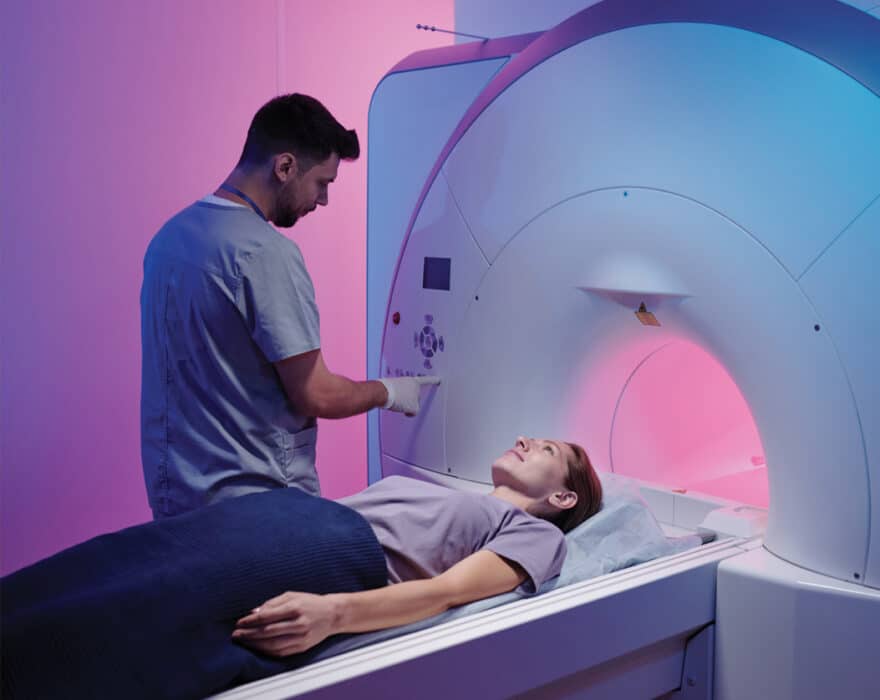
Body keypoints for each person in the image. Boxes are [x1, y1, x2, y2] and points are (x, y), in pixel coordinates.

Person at [1, 437, 603, 699]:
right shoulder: (458, 494)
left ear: (564, 499)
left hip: (331, 553)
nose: (526, 440)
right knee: (114, 561)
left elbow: (446, 593)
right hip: (287, 517)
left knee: (143, 608)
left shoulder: (533, 535)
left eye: (547, 449)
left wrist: (333, 612)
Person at [140, 93, 436, 519]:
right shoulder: (265, 253)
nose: (323, 200)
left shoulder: (169, 239)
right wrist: (391, 391)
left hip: (179, 497)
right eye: (322, 183)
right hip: (255, 504)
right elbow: (317, 394)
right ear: (285, 167)